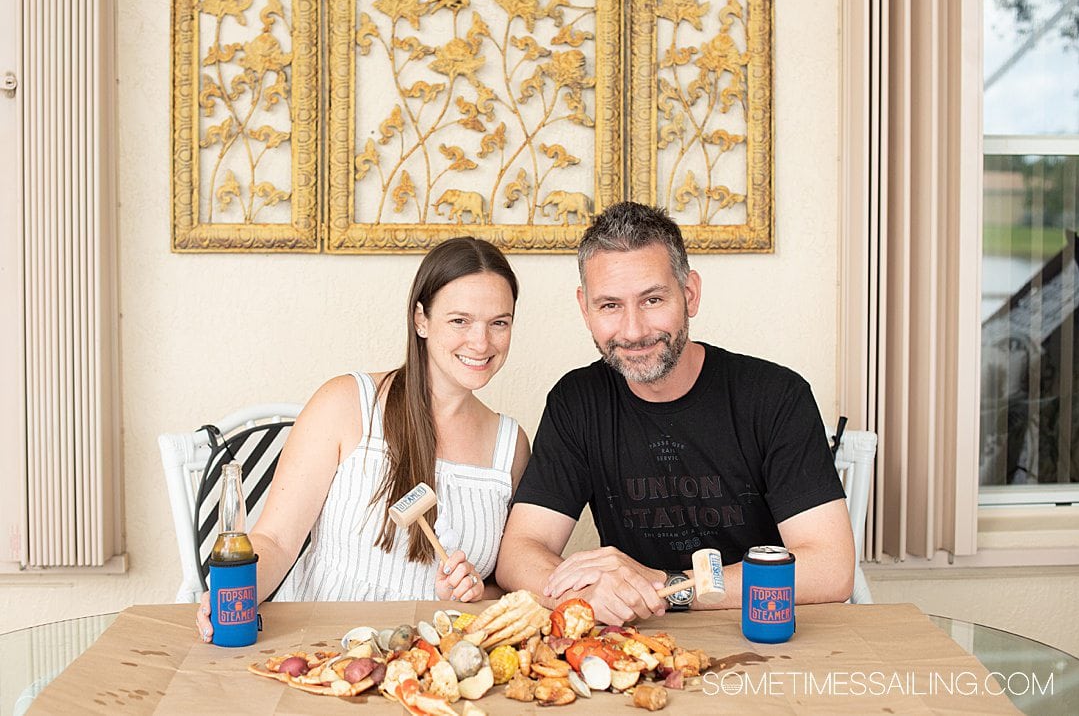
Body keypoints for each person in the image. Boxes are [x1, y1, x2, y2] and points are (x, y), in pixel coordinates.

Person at [495, 202, 854, 626]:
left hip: (760, 637)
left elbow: (831, 568)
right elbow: (518, 552)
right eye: (610, 305)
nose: (633, 330)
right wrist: (588, 590)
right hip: (637, 645)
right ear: (585, 308)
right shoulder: (578, 401)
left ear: (690, 294)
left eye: (652, 299)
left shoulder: (775, 396)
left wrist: (671, 587)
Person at [196, 237, 530, 642]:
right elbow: (277, 541)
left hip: (432, 664)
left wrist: (475, 592)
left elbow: (503, 588)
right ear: (420, 319)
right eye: (460, 320)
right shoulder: (344, 403)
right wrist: (233, 594)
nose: (481, 342)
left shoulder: (510, 448)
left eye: (499, 322)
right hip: (321, 649)